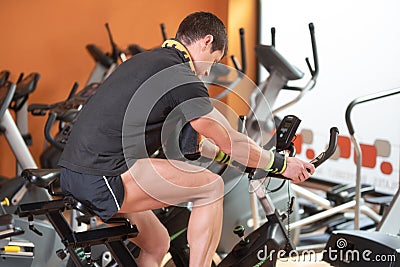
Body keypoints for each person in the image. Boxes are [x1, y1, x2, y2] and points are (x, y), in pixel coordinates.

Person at [58, 11, 315, 267]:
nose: (206, 74)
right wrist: (280, 164)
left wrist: (238, 161)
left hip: (75, 175)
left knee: (157, 242)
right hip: (104, 176)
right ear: (206, 41)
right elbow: (229, 139)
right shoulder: (180, 74)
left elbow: (193, 143)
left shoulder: (148, 61)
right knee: (211, 188)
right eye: (213, 62)